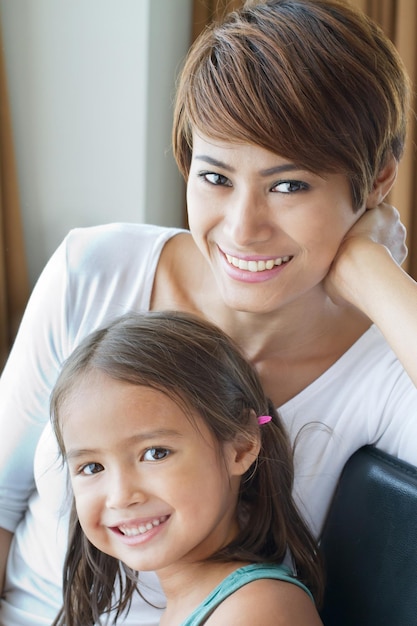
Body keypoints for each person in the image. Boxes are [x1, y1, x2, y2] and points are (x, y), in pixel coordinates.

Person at [0, 0, 416, 623]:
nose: (242, 229)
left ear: (378, 178)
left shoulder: (383, 366)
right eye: (216, 177)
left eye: (289, 186)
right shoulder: (94, 270)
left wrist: (374, 273)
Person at [49, 310, 324, 625]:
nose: (121, 496)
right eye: (92, 467)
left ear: (241, 446)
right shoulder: (194, 607)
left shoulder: (255, 609)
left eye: (155, 453)